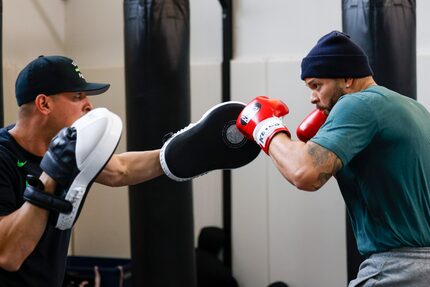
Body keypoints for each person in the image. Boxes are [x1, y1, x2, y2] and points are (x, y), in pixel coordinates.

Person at [236, 31, 430, 286]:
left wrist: (265, 128)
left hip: (397, 269)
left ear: (348, 78)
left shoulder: (358, 105)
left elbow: (304, 173)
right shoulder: (414, 108)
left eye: (317, 85)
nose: (312, 97)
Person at [0, 55, 163, 286]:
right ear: (44, 104)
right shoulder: (4, 157)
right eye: (78, 96)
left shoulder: (68, 152)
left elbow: (122, 169)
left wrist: (187, 150)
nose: (89, 105)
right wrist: (51, 173)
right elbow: (8, 255)